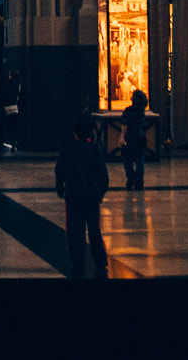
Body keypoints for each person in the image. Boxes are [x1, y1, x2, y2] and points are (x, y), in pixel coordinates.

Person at [56, 113, 111, 277]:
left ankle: (78, 262)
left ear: (74, 131)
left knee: (75, 232)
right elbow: (103, 176)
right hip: (92, 197)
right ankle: (100, 261)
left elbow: (60, 170)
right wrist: (99, 193)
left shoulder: (69, 150)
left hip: (73, 196)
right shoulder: (95, 150)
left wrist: (60, 188)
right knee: (94, 230)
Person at [117, 89, 153, 190]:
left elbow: (125, 125)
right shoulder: (141, 112)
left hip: (129, 137)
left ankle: (130, 177)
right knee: (139, 160)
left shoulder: (128, 111)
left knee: (126, 159)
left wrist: (121, 137)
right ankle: (139, 182)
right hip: (140, 138)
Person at [0, 70, 23, 152]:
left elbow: (5, 96)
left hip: (8, 108)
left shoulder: (9, 85)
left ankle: (11, 142)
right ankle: (15, 142)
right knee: (15, 127)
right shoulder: (19, 85)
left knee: (10, 127)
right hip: (16, 109)